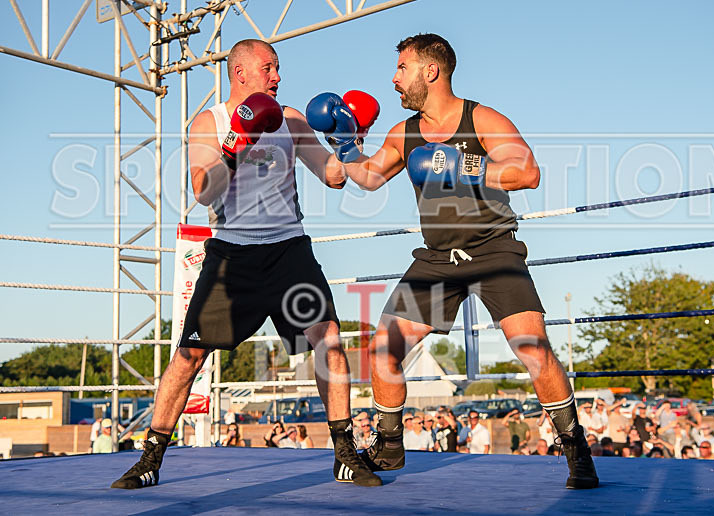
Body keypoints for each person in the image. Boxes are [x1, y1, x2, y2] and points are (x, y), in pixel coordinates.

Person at [323, 33, 598, 488]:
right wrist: (345, 145)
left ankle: (576, 452)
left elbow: (527, 172)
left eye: (402, 68)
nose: (394, 80)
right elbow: (368, 178)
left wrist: (463, 165)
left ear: (430, 71)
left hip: (494, 249)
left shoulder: (481, 118)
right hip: (436, 259)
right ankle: (389, 446)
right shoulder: (404, 133)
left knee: (532, 349)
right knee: (383, 350)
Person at [111, 39, 381, 489]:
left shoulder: (291, 118)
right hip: (232, 254)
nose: (277, 76)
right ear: (241, 72)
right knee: (188, 355)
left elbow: (333, 177)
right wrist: (235, 144)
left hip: (288, 249)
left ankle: (343, 453)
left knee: (328, 339)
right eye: (269, 68)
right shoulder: (209, 122)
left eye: (278, 68)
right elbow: (203, 191)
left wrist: (347, 143)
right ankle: (150, 459)